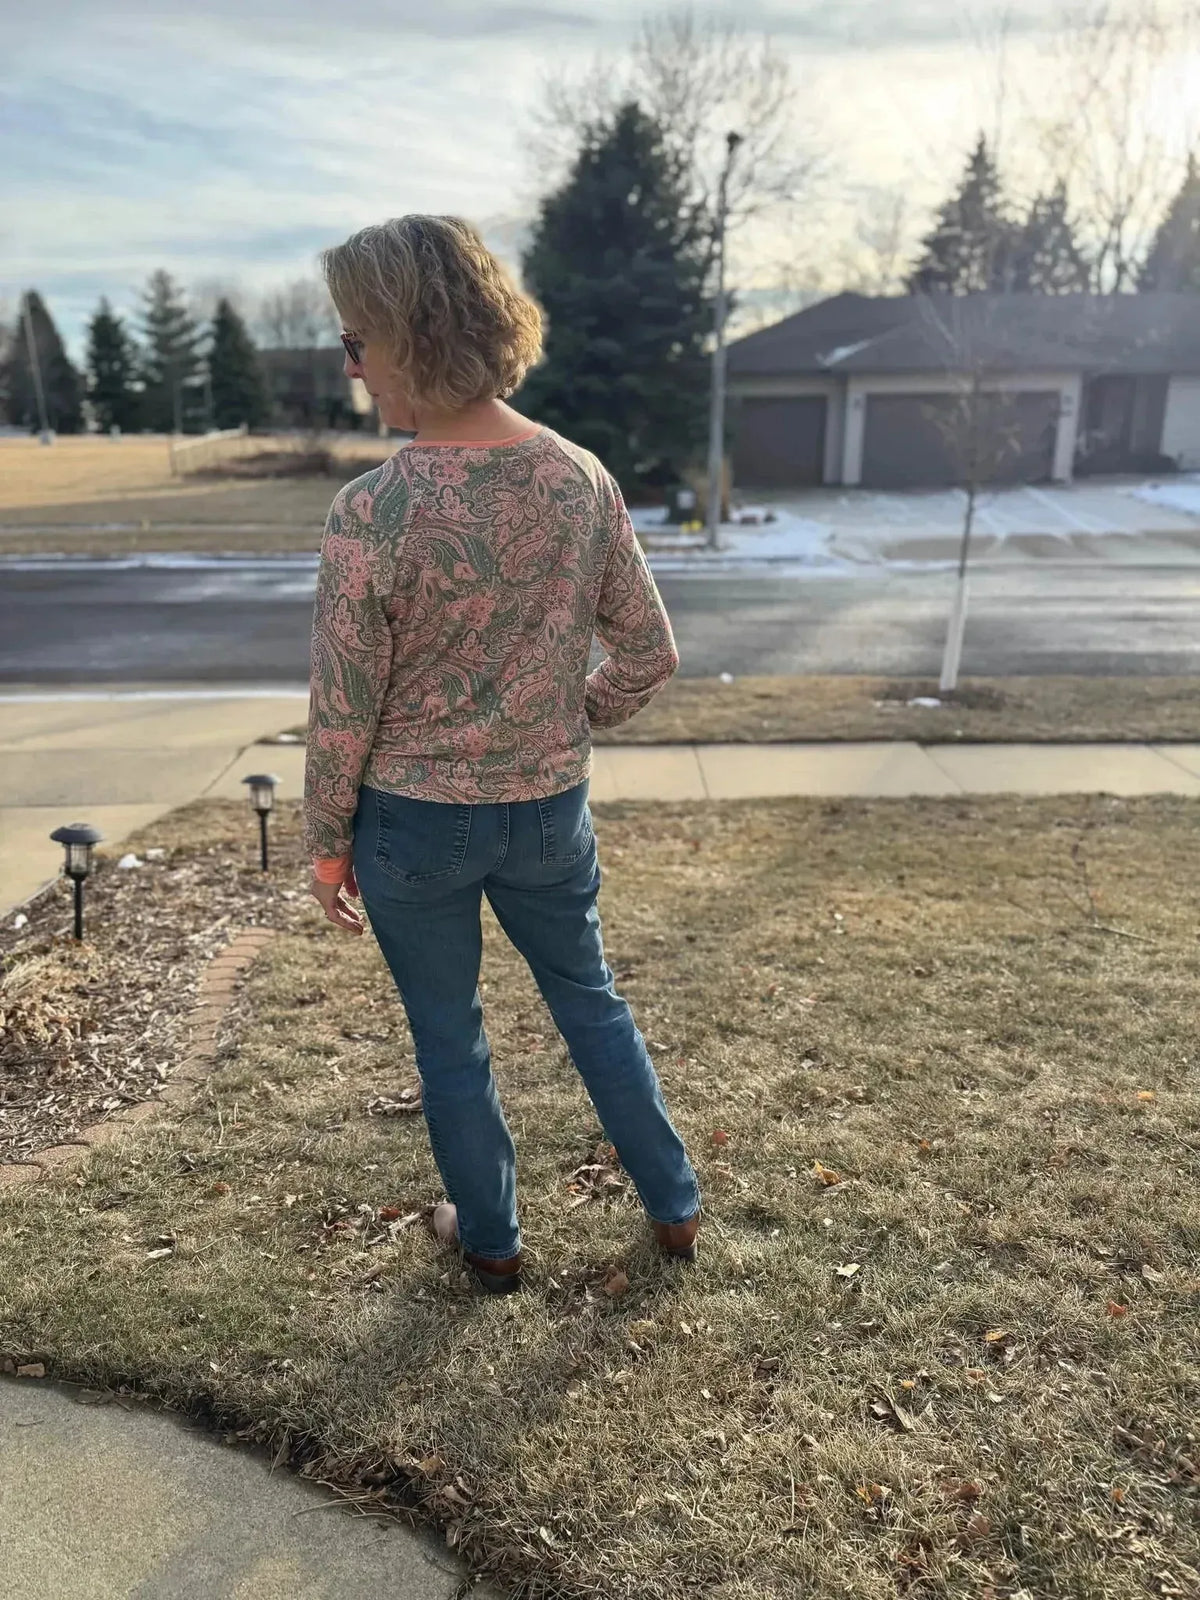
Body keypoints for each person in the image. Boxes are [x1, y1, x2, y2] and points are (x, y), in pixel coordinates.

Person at [303, 215, 701, 1295]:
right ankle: (673, 1206)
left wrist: (326, 843)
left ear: (409, 338)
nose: (353, 368)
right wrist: (572, 714)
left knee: (449, 1036)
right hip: (546, 814)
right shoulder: (578, 478)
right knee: (590, 998)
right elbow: (650, 650)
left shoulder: (373, 511)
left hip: (413, 824)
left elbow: (344, 704)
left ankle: (492, 1240)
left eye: (356, 342)